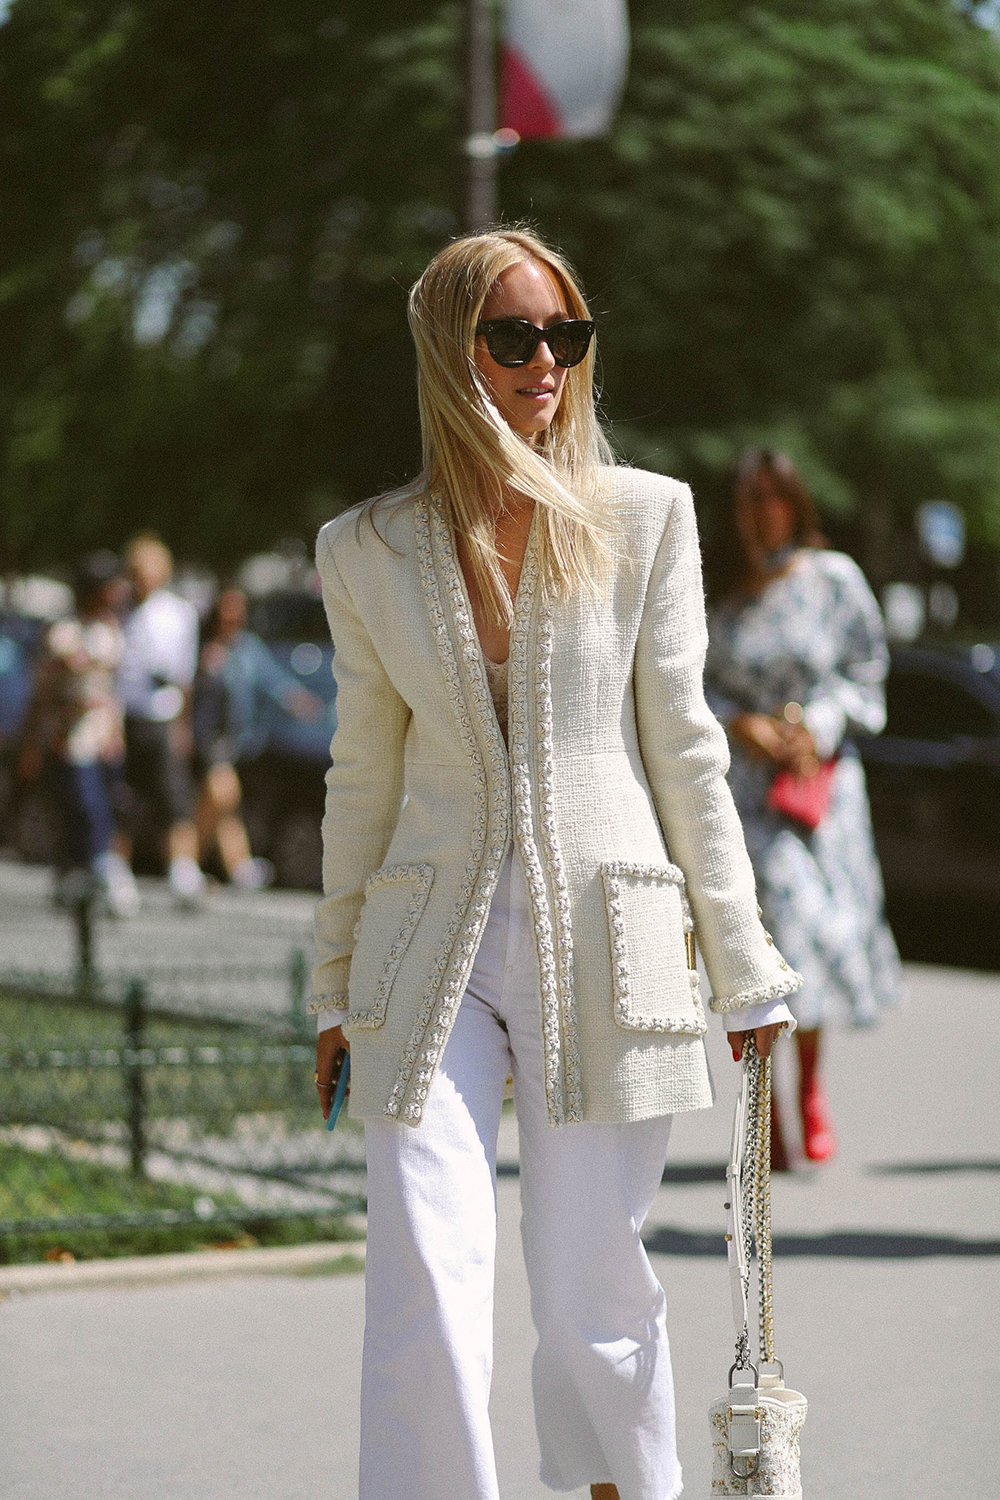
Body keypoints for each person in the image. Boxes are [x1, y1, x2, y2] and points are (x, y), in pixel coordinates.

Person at [310, 228, 801, 1500]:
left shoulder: (644, 518)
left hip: (612, 944)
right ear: (445, 349)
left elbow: (687, 751)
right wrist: (329, 984)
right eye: (512, 335)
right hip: (429, 956)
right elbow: (361, 775)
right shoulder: (361, 549)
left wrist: (745, 968)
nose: (545, 362)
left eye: (565, 336)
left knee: (593, 1288)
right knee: (422, 1263)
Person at [704, 448, 902, 1167]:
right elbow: (681, 680)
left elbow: (867, 672)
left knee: (817, 937)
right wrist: (738, 720)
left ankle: (809, 1092)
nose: (764, 511)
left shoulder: (834, 580)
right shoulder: (716, 590)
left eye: (776, 496)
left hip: (821, 788)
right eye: (751, 498)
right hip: (747, 795)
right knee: (769, 943)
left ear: (796, 502)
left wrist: (814, 725)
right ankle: (766, 1109)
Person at [17, 551, 140, 917]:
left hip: (104, 734)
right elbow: (44, 692)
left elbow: (111, 687)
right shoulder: (64, 632)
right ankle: (97, 872)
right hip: (70, 734)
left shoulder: (112, 630)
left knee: (110, 802)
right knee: (83, 805)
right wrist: (34, 743)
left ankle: (84, 874)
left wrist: (116, 732)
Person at [192, 586, 321, 888]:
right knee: (224, 794)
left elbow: (273, 681)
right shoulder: (204, 649)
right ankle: (201, 862)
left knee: (221, 807)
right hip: (207, 741)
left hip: (237, 743)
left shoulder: (248, 648)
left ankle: (204, 863)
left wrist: (300, 701)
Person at [118, 533, 203, 907]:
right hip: (124, 716)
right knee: (122, 798)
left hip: (162, 715)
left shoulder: (178, 612)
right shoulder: (119, 610)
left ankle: (182, 872)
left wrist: (182, 725)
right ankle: (117, 873)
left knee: (174, 797)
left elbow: (183, 675)